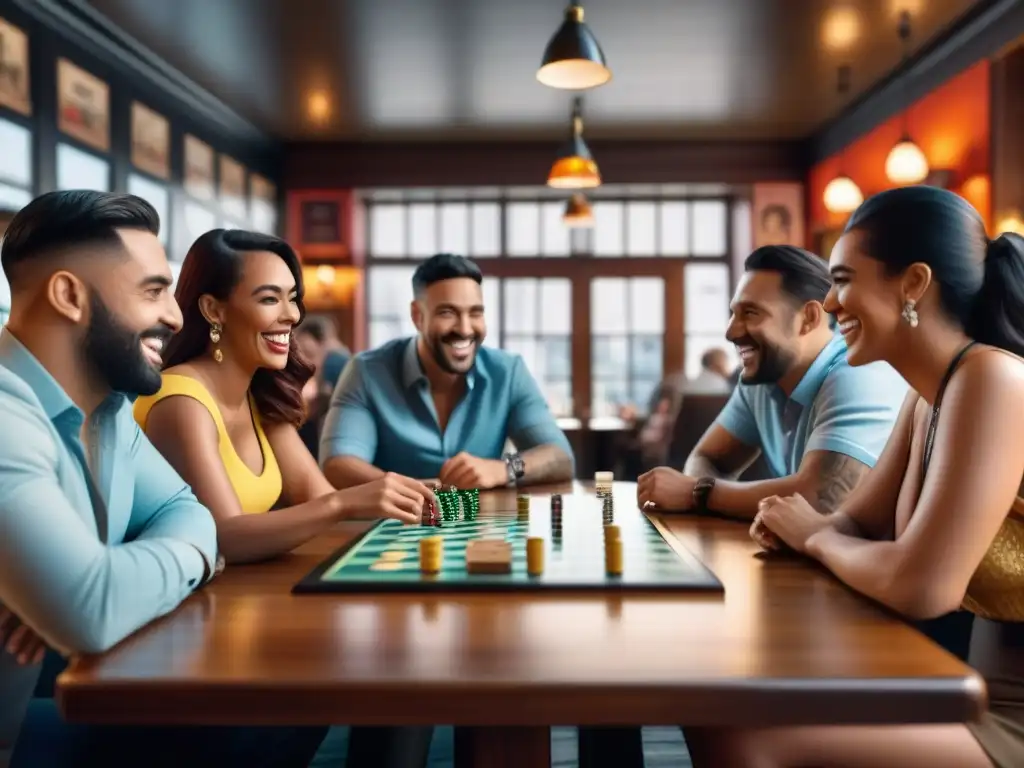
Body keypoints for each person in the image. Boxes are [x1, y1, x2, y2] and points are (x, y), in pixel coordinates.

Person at [686, 188, 1024, 768]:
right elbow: (854, 521)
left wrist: (814, 536)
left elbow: (923, 586)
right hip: (978, 688)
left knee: (746, 735)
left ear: (913, 284)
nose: (830, 303)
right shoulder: (927, 396)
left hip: (1008, 717)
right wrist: (808, 528)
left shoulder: (991, 378)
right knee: (716, 699)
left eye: (843, 280)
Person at [0, 191, 323, 766]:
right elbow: (93, 608)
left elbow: (187, 510)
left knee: (291, 713)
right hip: (19, 735)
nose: (175, 315)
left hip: (36, 707)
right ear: (69, 296)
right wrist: (193, 558)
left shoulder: (113, 407)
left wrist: (117, 572)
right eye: (152, 291)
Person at [133, 229, 434, 565]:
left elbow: (318, 498)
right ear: (213, 310)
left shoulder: (258, 395)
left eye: (292, 297)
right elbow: (224, 537)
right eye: (269, 299)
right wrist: (343, 504)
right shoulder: (180, 400)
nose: (292, 315)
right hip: (188, 610)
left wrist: (412, 497)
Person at [638, 245, 907, 522]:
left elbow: (821, 500)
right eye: (734, 313)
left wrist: (698, 493)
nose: (731, 331)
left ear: (809, 319)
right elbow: (707, 458)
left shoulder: (858, 372)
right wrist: (703, 492)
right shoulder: (763, 378)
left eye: (751, 313)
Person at [320, 253, 575, 489]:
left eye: (475, 313)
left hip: (481, 530)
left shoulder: (508, 372)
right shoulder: (366, 372)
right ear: (417, 316)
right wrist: (415, 492)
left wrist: (503, 469)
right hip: (394, 527)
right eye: (448, 313)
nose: (465, 329)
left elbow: (560, 457)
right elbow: (338, 465)